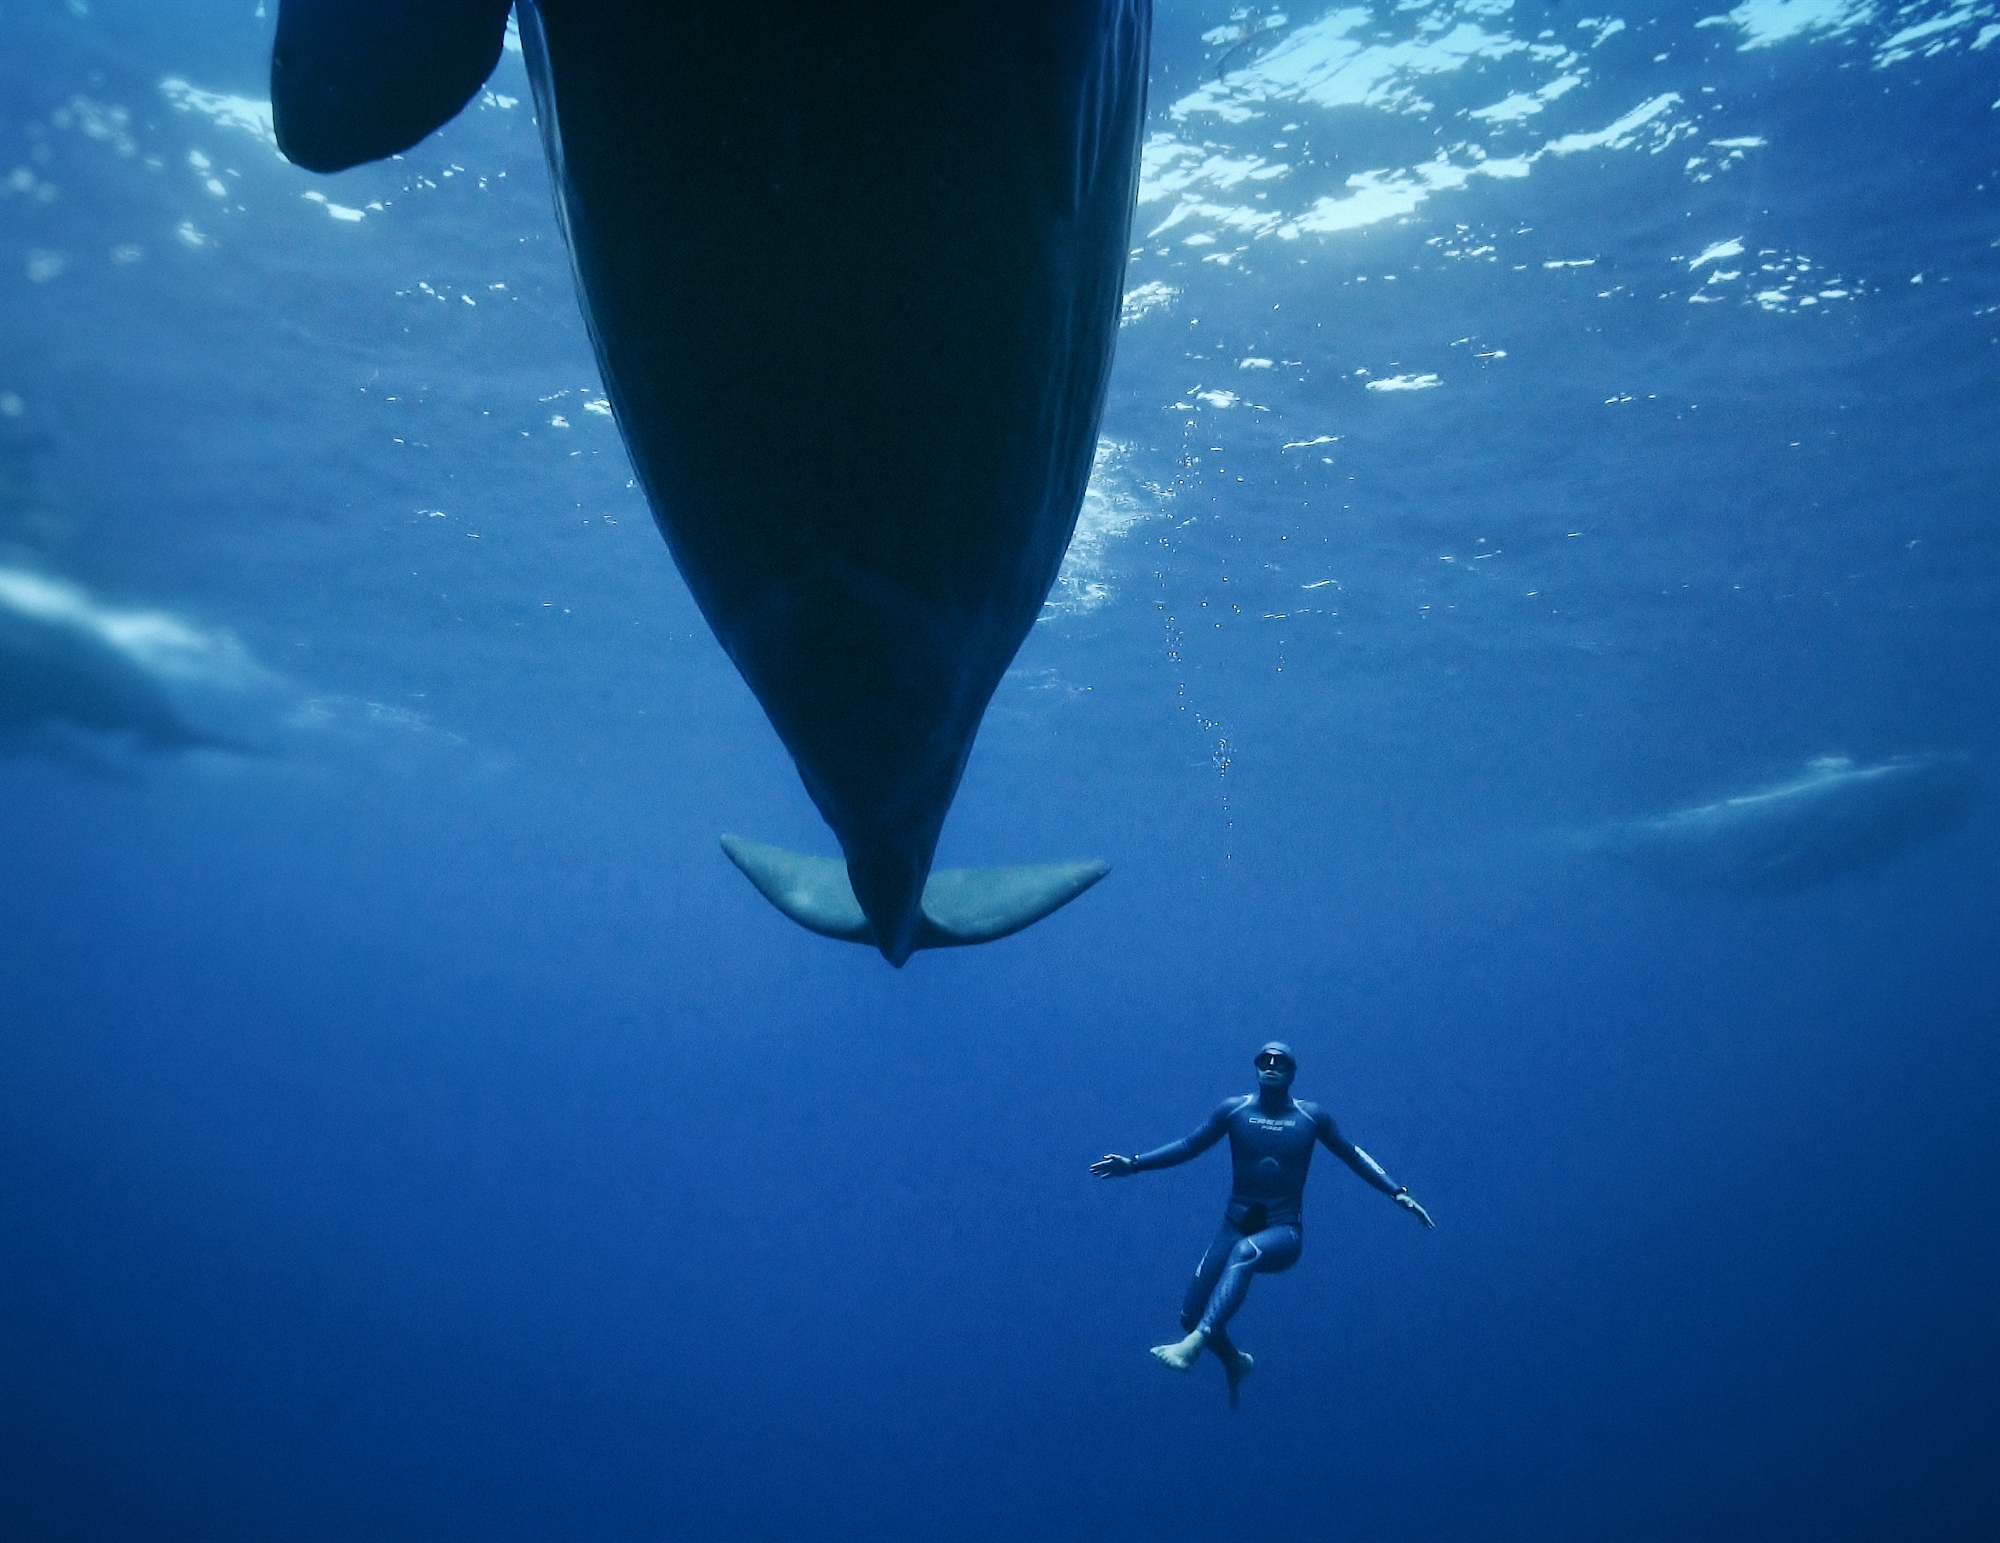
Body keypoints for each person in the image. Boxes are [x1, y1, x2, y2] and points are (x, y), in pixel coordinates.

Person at [1091, 1041, 1433, 1406]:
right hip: (1233, 1225)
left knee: (1243, 1254)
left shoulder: (1311, 1117)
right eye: (1264, 1060)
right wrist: (1135, 1163)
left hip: (1284, 1234)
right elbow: (1189, 1145)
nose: (1271, 1065)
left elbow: (1352, 1154)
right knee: (1189, 1316)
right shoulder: (1233, 1110)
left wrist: (1397, 1192)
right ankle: (1234, 1361)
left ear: (1292, 1072)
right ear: (1255, 1067)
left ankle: (1193, 1348)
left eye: (1280, 1061)